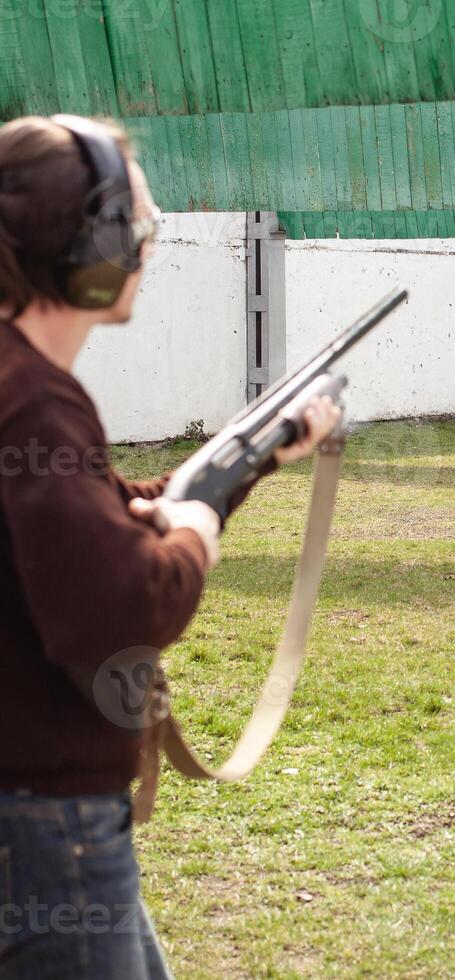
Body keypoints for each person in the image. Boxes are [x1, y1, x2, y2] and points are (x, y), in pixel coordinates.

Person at [0, 115, 340, 978]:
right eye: (139, 228)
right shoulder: (35, 404)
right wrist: (194, 537)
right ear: (91, 244)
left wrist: (241, 462)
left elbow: (93, 526)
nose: (149, 249)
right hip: (45, 829)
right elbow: (119, 606)